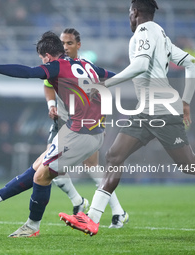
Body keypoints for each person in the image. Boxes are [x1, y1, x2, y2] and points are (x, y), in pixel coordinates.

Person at [59, 0, 195, 237]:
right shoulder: (162, 36)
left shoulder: (144, 31)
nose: (129, 17)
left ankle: (92, 218)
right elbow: (192, 63)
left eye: (129, 12)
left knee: (188, 164)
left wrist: (104, 84)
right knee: (114, 155)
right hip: (145, 110)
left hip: (161, 109)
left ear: (135, 12)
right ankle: (92, 219)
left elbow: (140, 65)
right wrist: (186, 101)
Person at [0, 31, 115, 237]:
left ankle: (32, 226)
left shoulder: (56, 66)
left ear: (46, 55)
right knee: (39, 165)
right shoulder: (86, 65)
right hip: (87, 129)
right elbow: (116, 76)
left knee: (42, 176)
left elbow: (26, 72)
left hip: (81, 133)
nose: (42, 62)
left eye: (42, 59)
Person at [46, 28, 128, 226]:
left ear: (78, 45)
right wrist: (51, 105)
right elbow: (47, 86)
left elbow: (103, 88)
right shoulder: (56, 64)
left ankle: (90, 205)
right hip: (65, 120)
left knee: (64, 167)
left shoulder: (87, 66)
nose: (65, 47)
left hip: (84, 123)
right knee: (53, 167)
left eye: (69, 43)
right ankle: (109, 209)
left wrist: (100, 120)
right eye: (63, 43)